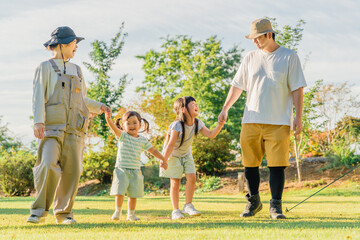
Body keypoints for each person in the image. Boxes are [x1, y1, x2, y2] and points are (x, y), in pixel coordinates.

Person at [218, 18, 307, 219]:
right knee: (249, 164)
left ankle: (276, 206)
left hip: (278, 122)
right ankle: (253, 201)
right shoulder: (250, 57)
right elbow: (237, 86)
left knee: (277, 165)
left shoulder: (289, 57)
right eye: (252, 38)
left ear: (269, 34)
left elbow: (297, 88)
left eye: (258, 37)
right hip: (251, 119)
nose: (255, 41)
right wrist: (225, 108)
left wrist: (298, 117)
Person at [27, 26, 111, 224]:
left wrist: (99, 106)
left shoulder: (77, 70)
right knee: (47, 165)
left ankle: (64, 214)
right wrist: (38, 121)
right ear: (63, 44)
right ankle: (38, 212)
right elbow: (38, 96)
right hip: (52, 127)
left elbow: (81, 98)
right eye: (74, 43)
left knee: (72, 171)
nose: (76, 47)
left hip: (75, 129)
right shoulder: (45, 67)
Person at [160, 96, 225, 219]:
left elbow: (211, 135)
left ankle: (188, 205)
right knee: (175, 181)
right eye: (193, 104)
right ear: (183, 109)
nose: (196, 106)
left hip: (186, 154)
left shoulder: (197, 122)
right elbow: (170, 144)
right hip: (172, 155)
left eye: (196, 103)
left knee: (192, 177)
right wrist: (164, 159)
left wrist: (220, 125)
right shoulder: (177, 125)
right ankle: (175, 211)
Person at [105, 110, 167, 221]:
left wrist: (163, 159)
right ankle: (117, 211)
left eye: (134, 122)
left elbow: (153, 151)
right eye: (128, 123)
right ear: (123, 125)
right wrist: (108, 119)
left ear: (140, 124)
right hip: (122, 170)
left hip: (135, 171)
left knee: (133, 194)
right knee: (119, 192)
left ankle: (131, 214)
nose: (131, 125)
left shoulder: (142, 140)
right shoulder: (123, 136)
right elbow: (113, 128)